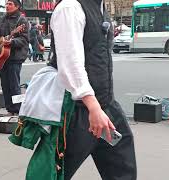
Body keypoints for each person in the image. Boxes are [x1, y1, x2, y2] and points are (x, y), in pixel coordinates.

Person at [49, 0, 137, 179]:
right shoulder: (70, 8)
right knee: (53, 174)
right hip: (76, 112)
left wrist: (100, 106)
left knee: (122, 168)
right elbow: (71, 65)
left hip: (106, 106)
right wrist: (93, 107)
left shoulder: (100, 5)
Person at [0, 0, 29, 116]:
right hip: (1, 57)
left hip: (15, 57)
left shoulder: (22, 21)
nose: (7, 6)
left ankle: (18, 110)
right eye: (7, 4)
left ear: (17, 6)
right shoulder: (2, 19)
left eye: (10, 4)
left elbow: (24, 40)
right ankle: (10, 109)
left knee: (14, 85)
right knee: (5, 84)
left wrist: (11, 42)